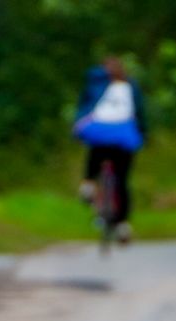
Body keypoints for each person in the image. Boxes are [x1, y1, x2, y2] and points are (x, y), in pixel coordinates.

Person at [73, 57, 147, 242]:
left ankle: (88, 184)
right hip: (124, 135)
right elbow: (140, 112)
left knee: (95, 152)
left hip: (98, 132)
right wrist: (143, 134)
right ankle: (123, 225)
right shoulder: (131, 86)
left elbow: (84, 106)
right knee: (122, 181)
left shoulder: (96, 83)